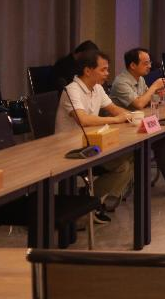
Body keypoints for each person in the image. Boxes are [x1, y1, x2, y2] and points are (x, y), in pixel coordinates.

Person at [55, 49, 134, 223]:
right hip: (71, 150)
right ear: (88, 70)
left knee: (131, 159)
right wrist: (115, 120)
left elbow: (113, 109)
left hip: (92, 144)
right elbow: (83, 119)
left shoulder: (97, 88)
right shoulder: (72, 90)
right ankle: (86, 203)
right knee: (124, 164)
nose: (107, 73)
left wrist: (132, 116)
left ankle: (91, 202)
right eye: (103, 69)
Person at [109, 48, 165, 194]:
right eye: (146, 63)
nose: (150, 66)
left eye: (149, 62)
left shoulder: (140, 79)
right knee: (160, 140)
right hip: (123, 129)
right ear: (133, 65)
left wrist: (158, 95)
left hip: (138, 123)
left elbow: (148, 101)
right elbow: (139, 104)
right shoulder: (121, 82)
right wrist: (154, 87)